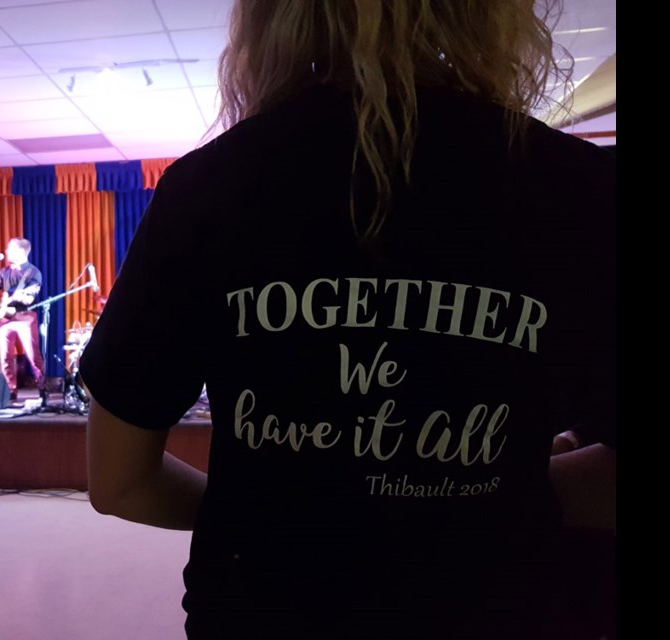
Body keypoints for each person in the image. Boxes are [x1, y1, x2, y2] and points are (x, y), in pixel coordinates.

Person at [80, 1, 616, 639]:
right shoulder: (580, 190)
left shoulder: (208, 188)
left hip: (260, 614)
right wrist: (507, 491)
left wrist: (263, 514)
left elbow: (119, 483)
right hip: (493, 612)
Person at [0, 237, 46, 400]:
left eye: (9, 249)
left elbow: (30, 298)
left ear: (20, 252)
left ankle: (42, 386)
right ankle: (11, 389)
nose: (6, 251)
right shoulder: (4, 271)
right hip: (5, 318)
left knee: (33, 355)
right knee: (5, 356)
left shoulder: (33, 272)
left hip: (24, 317)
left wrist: (21, 297)